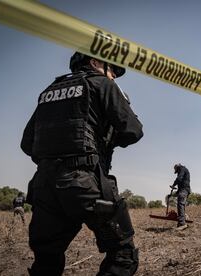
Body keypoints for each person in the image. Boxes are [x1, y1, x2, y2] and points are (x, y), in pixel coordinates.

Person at [21, 52, 143, 275]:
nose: (114, 76)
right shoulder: (102, 83)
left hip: (44, 187)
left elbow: (27, 144)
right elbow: (133, 131)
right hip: (83, 183)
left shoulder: (48, 92)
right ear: (95, 62)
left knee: (46, 261)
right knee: (123, 256)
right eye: (112, 70)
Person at [170, 163, 191, 230]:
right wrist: (172, 195)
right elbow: (180, 186)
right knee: (181, 204)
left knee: (180, 204)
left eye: (176, 171)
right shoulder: (182, 171)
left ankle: (182, 223)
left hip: (184, 190)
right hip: (184, 190)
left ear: (177, 168)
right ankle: (180, 224)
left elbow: (179, 179)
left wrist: (173, 185)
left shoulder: (182, 169)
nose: (177, 173)